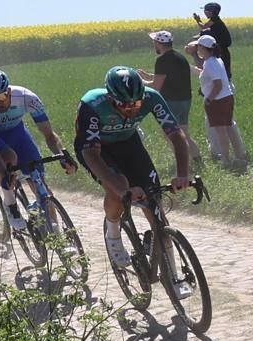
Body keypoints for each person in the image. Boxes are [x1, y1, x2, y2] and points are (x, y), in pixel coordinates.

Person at [73, 66, 191, 296]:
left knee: (154, 204)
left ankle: (173, 277)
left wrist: (183, 173)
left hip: (129, 143)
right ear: (110, 97)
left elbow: (177, 136)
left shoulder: (151, 97)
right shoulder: (92, 103)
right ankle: (113, 232)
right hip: (97, 150)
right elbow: (90, 155)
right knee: (117, 187)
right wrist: (122, 189)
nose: (131, 109)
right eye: (124, 104)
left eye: (135, 104)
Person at [0, 68, 75, 231]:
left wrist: (62, 155)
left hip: (15, 131)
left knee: (38, 178)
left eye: (2, 96)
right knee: (8, 157)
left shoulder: (26, 97)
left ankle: (56, 232)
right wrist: (5, 173)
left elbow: (49, 134)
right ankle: (11, 205)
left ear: (9, 91)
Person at [136, 30, 202, 166]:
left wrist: (140, 82)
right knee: (184, 132)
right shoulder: (180, 57)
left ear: (158, 43)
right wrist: (147, 76)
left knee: (171, 135)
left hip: (171, 102)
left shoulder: (162, 60)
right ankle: (197, 160)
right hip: (185, 100)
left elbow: (156, 87)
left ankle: (184, 163)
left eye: (154, 42)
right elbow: (168, 77)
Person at [188, 35, 247, 171]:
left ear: (203, 48)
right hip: (226, 97)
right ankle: (239, 155)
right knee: (229, 127)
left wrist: (209, 99)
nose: (198, 50)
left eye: (199, 47)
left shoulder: (210, 63)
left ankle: (226, 160)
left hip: (217, 100)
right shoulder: (216, 60)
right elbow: (207, 74)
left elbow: (218, 84)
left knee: (221, 132)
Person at [192, 2, 232, 79]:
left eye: (205, 11)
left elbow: (204, 26)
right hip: (222, 48)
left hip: (221, 48)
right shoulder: (216, 20)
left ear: (211, 12)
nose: (204, 13)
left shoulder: (214, 19)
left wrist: (197, 20)